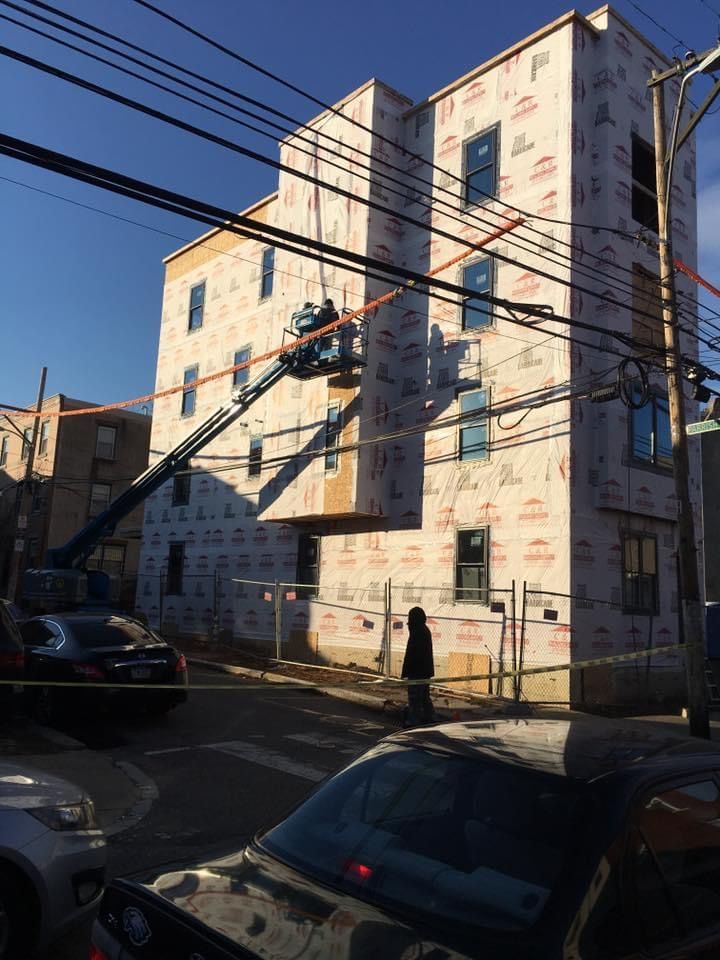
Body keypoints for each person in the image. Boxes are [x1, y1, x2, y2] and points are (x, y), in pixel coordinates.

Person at [401, 606, 436, 727]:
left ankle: (413, 723)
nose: (408, 624)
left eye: (410, 621)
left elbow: (412, 654)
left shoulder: (418, 632)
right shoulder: (423, 630)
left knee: (415, 699)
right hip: (424, 671)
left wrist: (407, 671)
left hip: (417, 672)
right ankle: (429, 718)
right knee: (424, 697)